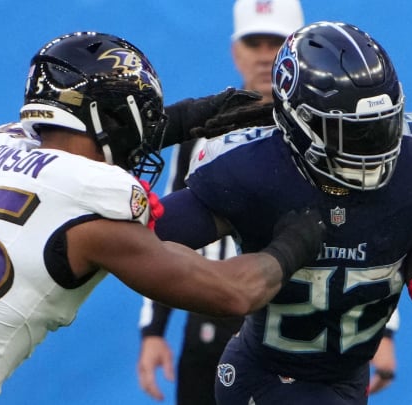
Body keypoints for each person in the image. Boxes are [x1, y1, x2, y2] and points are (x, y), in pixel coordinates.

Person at [0, 31, 327, 405]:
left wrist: (193, 115)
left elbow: (82, 143)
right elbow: (232, 292)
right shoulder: (93, 217)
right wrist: (301, 235)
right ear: (106, 120)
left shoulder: (3, 146)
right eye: (133, 119)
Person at [153, 21, 412, 405]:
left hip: (348, 381)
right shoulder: (251, 171)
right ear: (299, 123)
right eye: (352, 133)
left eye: (382, 126)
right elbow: (144, 235)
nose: (373, 147)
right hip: (264, 377)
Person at [136, 1, 304, 404]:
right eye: (254, 42)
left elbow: (368, 223)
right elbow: (162, 233)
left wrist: (382, 333)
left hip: (301, 323)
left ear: (297, 49)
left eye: (276, 42)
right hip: (209, 319)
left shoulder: (325, 130)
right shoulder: (202, 133)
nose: (265, 54)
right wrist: (154, 331)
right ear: (236, 51)